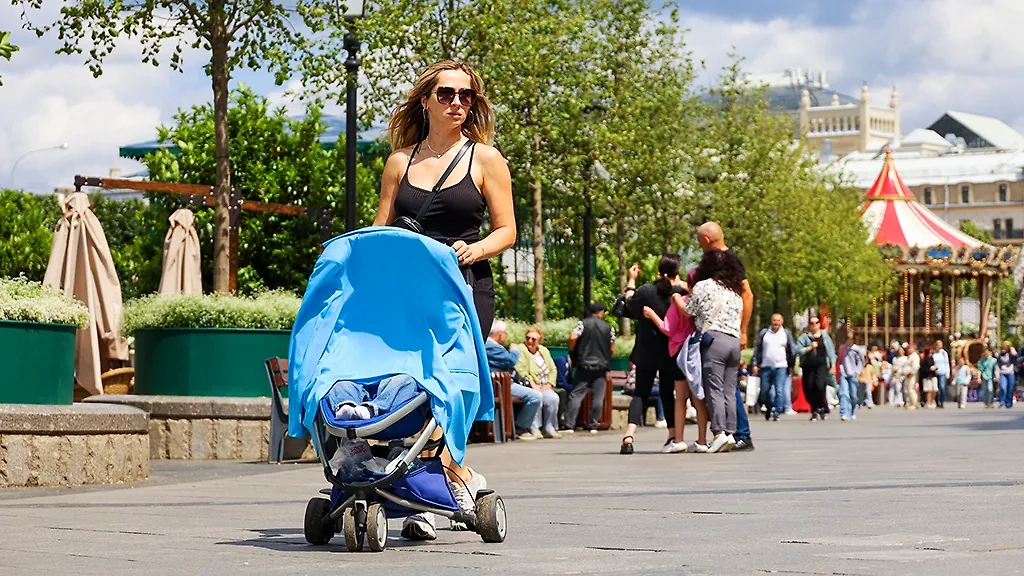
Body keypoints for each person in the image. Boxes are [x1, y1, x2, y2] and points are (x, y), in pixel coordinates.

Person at [374, 60, 516, 540]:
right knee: (409, 382)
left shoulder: (486, 159)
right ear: (425, 99)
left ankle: (432, 489)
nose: (457, 103)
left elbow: (508, 229)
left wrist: (475, 248)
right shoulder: (400, 162)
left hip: (465, 287)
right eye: (447, 94)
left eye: (466, 96)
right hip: (410, 292)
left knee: (448, 384)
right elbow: (382, 230)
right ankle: (450, 481)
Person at [694, 222, 756, 451]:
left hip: (721, 334)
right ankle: (734, 433)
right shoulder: (723, 259)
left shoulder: (726, 260)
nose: (699, 247)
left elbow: (747, 293)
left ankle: (738, 432)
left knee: (722, 387)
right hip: (729, 334)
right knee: (728, 387)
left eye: (700, 242)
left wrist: (743, 328)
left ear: (707, 241)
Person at [620, 254, 688, 454]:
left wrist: (632, 280)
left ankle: (629, 435)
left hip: (646, 350)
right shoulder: (680, 294)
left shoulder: (647, 291)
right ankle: (672, 435)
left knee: (640, 392)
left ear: (659, 272)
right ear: (677, 272)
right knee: (667, 393)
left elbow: (629, 302)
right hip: (669, 351)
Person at [682, 249, 745, 453]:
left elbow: (689, 311)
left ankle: (718, 433)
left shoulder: (703, 286)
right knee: (729, 390)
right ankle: (731, 432)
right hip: (733, 342)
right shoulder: (734, 292)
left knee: (714, 389)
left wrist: (677, 298)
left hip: (714, 340)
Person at [484, 320, 543, 440]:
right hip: (500, 385)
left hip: (499, 383)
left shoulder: (488, 345)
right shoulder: (491, 347)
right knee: (535, 396)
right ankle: (521, 427)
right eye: (505, 333)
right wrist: (515, 350)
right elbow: (510, 360)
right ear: (500, 334)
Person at [565, 302, 615, 433]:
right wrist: (606, 357)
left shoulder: (582, 323)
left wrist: (573, 351)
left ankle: (570, 424)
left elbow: (572, 337)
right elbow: (612, 347)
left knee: (576, 395)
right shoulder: (609, 327)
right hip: (601, 366)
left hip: (584, 364)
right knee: (598, 397)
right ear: (602, 312)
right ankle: (593, 424)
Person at [514, 325, 562, 438]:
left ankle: (549, 428)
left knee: (553, 398)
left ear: (539, 340)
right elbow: (520, 370)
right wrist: (532, 384)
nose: (530, 341)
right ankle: (534, 427)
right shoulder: (522, 349)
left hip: (544, 384)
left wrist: (550, 384)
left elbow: (553, 369)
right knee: (537, 396)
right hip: (529, 385)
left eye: (533, 339)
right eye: (527, 338)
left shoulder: (543, 350)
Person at [751, 313, 796, 421]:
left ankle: (777, 412)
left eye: (778, 321)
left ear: (782, 322)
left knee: (779, 390)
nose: (776, 323)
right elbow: (757, 349)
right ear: (771, 321)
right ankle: (769, 407)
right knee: (765, 391)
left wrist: (791, 365)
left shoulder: (786, 333)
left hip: (781, 366)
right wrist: (755, 364)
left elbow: (792, 350)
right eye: (774, 320)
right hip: (766, 366)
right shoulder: (764, 333)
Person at [795, 317, 836, 420]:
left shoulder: (825, 337)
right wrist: (810, 348)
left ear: (819, 324)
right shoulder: (804, 337)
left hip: (821, 365)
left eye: (816, 322)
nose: (814, 325)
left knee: (820, 386)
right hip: (808, 366)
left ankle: (818, 408)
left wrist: (833, 365)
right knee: (809, 388)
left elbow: (831, 352)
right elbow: (798, 350)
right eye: (812, 323)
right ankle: (815, 407)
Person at [839, 336, 865, 421]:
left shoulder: (856, 350)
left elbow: (861, 361)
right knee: (843, 393)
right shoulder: (842, 348)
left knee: (853, 395)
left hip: (853, 374)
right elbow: (839, 360)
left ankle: (852, 410)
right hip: (844, 373)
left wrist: (857, 372)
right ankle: (844, 413)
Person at [997, 341, 1017, 408]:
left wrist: (1011, 350)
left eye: (1007, 346)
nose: (1005, 347)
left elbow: (1015, 357)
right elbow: (998, 362)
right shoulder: (1001, 353)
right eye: (1004, 346)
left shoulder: (1012, 352)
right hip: (1003, 372)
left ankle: (1009, 403)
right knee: (1003, 387)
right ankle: (1002, 401)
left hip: (1010, 372)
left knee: (1010, 389)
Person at [932, 340, 950, 409]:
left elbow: (946, 363)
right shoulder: (933, 353)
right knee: (936, 388)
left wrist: (947, 373)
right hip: (935, 372)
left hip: (942, 371)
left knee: (942, 387)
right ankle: (937, 401)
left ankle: (942, 401)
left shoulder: (944, 353)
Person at [903, 344, 921, 410]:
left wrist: (911, 373)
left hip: (912, 375)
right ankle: (911, 403)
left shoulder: (915, 356)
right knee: (908, 389)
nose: (908, 350)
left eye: (910, 348)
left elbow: (915, 366)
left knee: (911, 389)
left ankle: (914, 404)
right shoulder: (910, 356)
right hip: (907, 375)